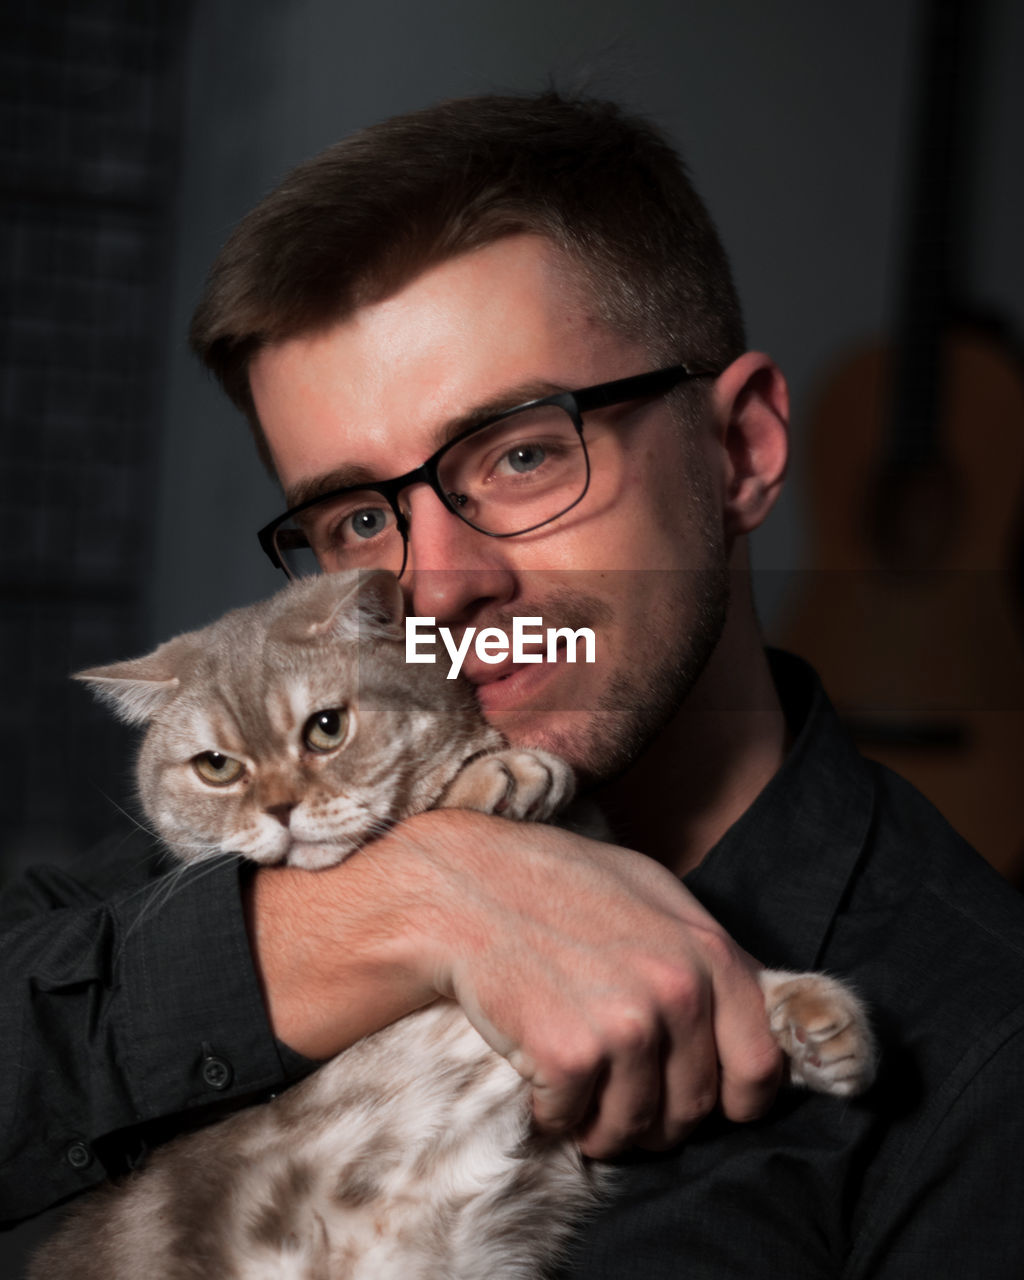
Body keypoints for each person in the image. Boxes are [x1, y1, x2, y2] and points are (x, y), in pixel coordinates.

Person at [3, 92, 1023, 1276]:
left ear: (738, 448)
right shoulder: (276, 819)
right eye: (359, 516)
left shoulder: (984, 1043)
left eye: (524, 453)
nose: (436, 590)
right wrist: (399, 907)